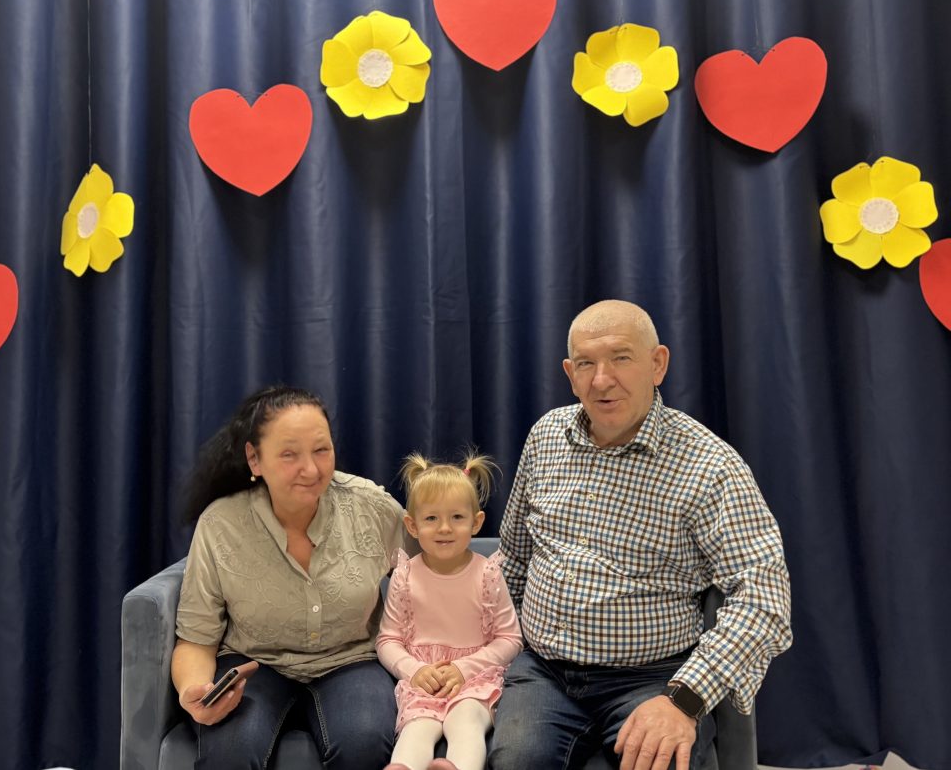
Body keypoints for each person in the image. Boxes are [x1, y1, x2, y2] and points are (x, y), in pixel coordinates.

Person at [490, 300, 793, 770]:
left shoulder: (710, 466)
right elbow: (513, 557)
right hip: (543, 672)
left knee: (660, 762)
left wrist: (685, 699)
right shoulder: (545, 437)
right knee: (515, 761)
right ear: (570, 374)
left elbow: (764, 598)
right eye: (586, 364)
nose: (601, 380)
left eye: (621, 358)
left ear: (658, 364)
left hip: (653, 677)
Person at [171, 385, 409, 770]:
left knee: (366, 741)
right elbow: (196, 639)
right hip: (254, 662)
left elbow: (433, 575)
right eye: (289, 454)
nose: (311, 470)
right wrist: (194, 690)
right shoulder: (220, 524)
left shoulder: (372, 507)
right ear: (254, 458)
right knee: (230, 750)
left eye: (321, 450)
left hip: (351, 658)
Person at [377, 453, 523, 770]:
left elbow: (510, 639)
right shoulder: (405, 575)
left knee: (466, 721)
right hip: (423, 678)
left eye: (457, 517)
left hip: (475, 678)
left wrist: (465, 668)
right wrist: (415, 671)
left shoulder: (487, 574)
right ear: (412, 525)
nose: (445, 528)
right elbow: (388, 640)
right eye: (431, 519)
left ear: (476, 522)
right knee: (417, 728)